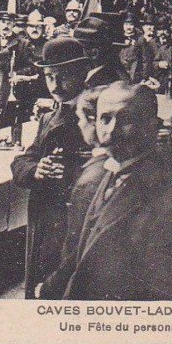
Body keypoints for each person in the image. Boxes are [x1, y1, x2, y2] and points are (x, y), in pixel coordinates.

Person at [64, 82, 172, 300]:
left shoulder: (171, 188)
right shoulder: (109, 171)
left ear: (152, 125)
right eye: (105, 118)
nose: (111, 130)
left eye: (126, 120)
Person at [11, 37, 91, 298]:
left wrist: (66, 173)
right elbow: (21, 160)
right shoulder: (49, 117)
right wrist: (36, 170)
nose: (55, 85)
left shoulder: (93, 115)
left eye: (63, 76)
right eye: (49, 77)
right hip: (45, 216)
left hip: (74, 218)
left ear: (81, 74)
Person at [38, 85, 109, 299]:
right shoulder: (109, 166)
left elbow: (75, 250)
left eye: (80, 120)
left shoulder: (90, 180)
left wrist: (49, 288)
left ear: (93, 121)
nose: (79, 125)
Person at [73, 15, 129, 88]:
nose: (76, 54)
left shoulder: (102, 79)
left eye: (80, 48)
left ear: (94, 52)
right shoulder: (118, 72)